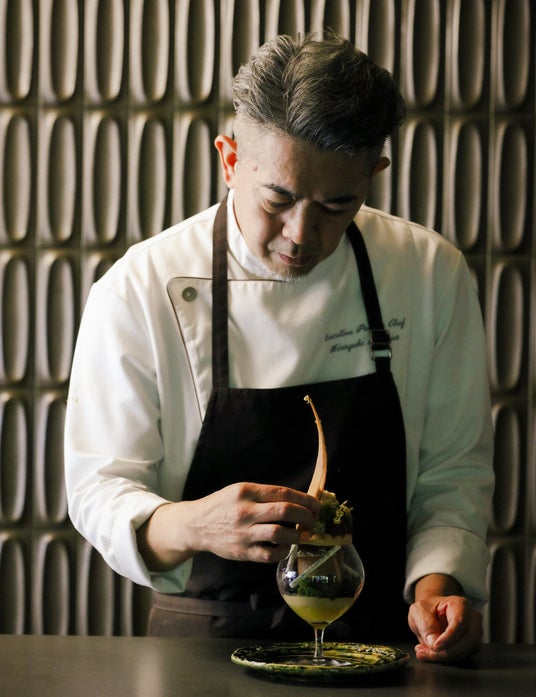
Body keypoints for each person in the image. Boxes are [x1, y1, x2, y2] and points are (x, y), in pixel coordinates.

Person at [64, 32, 494, 663]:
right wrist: (195, 523)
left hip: (382, 642)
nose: (301, 234)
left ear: (373, 175)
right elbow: (100, 489)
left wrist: (438, 586)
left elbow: (452, 472)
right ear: (230, 159)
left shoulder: (428, 272)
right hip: (205, 644)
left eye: (336, 206)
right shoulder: (139, 288)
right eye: (279, 199)